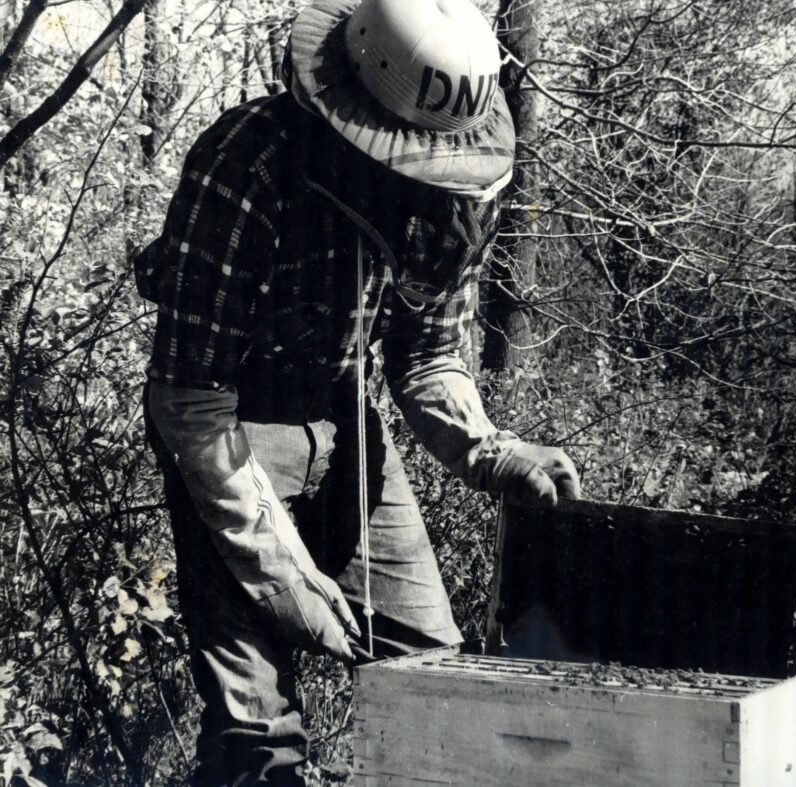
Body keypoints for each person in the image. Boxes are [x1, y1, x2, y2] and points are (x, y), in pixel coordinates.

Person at [134, 0, 581, 783]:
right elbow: (190, 400)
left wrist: (492, 451)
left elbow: (429, 355)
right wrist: (288, 578)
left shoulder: (455, 199)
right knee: (258, 738)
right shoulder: (246, 166)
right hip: (227, 425)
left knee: (439, 682)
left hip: (343, 419)